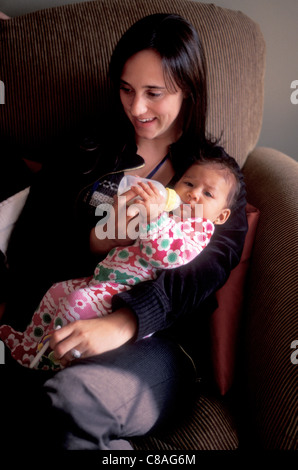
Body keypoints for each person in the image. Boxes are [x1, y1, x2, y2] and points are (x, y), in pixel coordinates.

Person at [1, 13, 247, 450]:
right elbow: (31, 241)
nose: (137, 109)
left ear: (188, 89)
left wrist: (125, 321)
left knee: (73, 400)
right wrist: (98, 240)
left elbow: (204, 276)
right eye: (127, 90)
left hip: (159, 345)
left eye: (154, 93)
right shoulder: (85, 151)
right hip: (63, 313)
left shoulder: (214, 181)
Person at [0, 149, 241, 371]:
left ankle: (49, 360)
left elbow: (167, 254)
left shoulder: (197, 231)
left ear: (221, 216)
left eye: (207, 194)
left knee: (76, 303)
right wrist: (115, 223)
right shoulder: (166, 211)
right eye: (188, 183)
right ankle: (30, 342)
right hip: (103, 276)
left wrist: (155, 218)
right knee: (56, 292)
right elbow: (122, 233)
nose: (193, 194)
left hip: (123, 291)